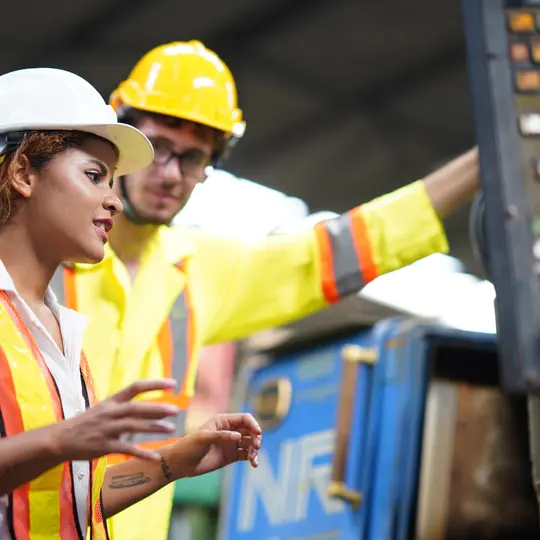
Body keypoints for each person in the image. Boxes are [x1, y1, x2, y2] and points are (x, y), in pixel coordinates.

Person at [50, 40, 480, 540]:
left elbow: (339, 249)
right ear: (122, 140)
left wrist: (483, 163)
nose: (170, 174)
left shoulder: (198, 271)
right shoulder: (41, 251)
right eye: (159, 147)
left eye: (192, 158)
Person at [0, 67, 262, 540]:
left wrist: (172, 461)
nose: (114, 201)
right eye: (95, 176)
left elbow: (70, 498)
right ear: (22, 172)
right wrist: (62, 440)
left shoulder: (61, 334)